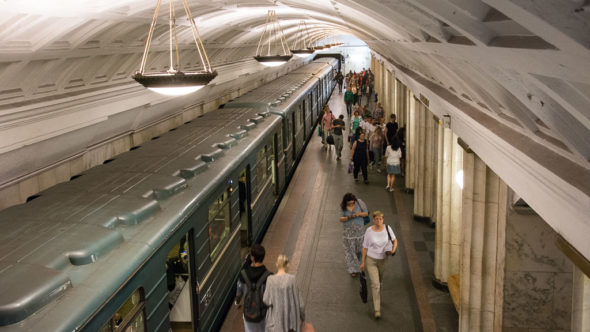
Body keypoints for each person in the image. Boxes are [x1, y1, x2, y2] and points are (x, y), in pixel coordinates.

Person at [360, 211, 398, 319]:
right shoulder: (369, 231)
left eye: (380, 219)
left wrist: (393, 251)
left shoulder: (388, 228)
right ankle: (377, 310)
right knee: (375, 284)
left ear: (383, 219)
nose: (379, 221)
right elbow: (365, 247)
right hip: (371, 260)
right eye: (376, 219)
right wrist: (363, 262)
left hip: (383, 260)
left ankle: (377, 290)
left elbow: (395, 241)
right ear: (373, 220)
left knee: (379, 281)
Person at [263, 255, 305, 332]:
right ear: (287, 265)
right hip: (291, 323)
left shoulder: (270, 280)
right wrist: (303, 317)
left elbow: (266, 300)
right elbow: (300, 304)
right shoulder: (292, 279)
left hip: (275, 324)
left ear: (276, 264)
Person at [235, 244, 272, 332]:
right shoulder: (269, 277)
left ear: (252, 258)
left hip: (248, 315)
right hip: (263, 315)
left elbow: (238, 294)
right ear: (263, 257)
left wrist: (237, 302)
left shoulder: (243, 275)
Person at [339, 193, 369, 277]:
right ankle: (352, 270)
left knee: (359, 250)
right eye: (349, 203)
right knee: (350, 252)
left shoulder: (359, 202)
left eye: (352, 203)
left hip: (359, 233)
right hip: (348, 234)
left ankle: (360, 266)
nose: (351, 204)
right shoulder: (343, 207)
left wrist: (358, 214)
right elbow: (341, 218)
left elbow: (366, 213)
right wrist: (349, 217)